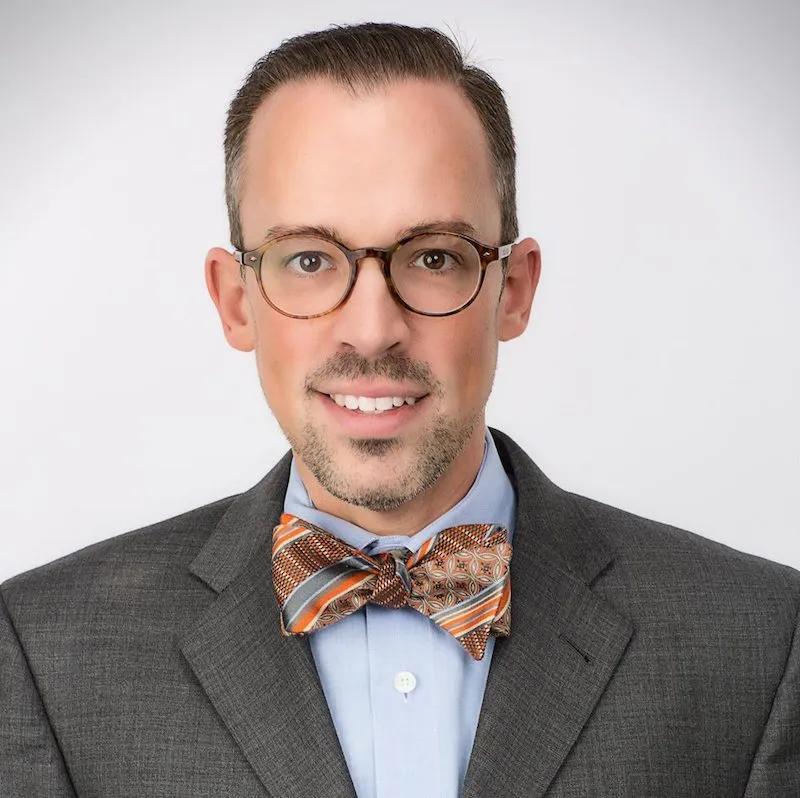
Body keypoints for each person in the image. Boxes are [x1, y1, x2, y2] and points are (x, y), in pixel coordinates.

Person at [1, 21, 798, 798]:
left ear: (512, 291)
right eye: (309, 259)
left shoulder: (761, 645)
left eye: (434, 257)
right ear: (236, 301)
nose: (373, 330)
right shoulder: (44, 654)